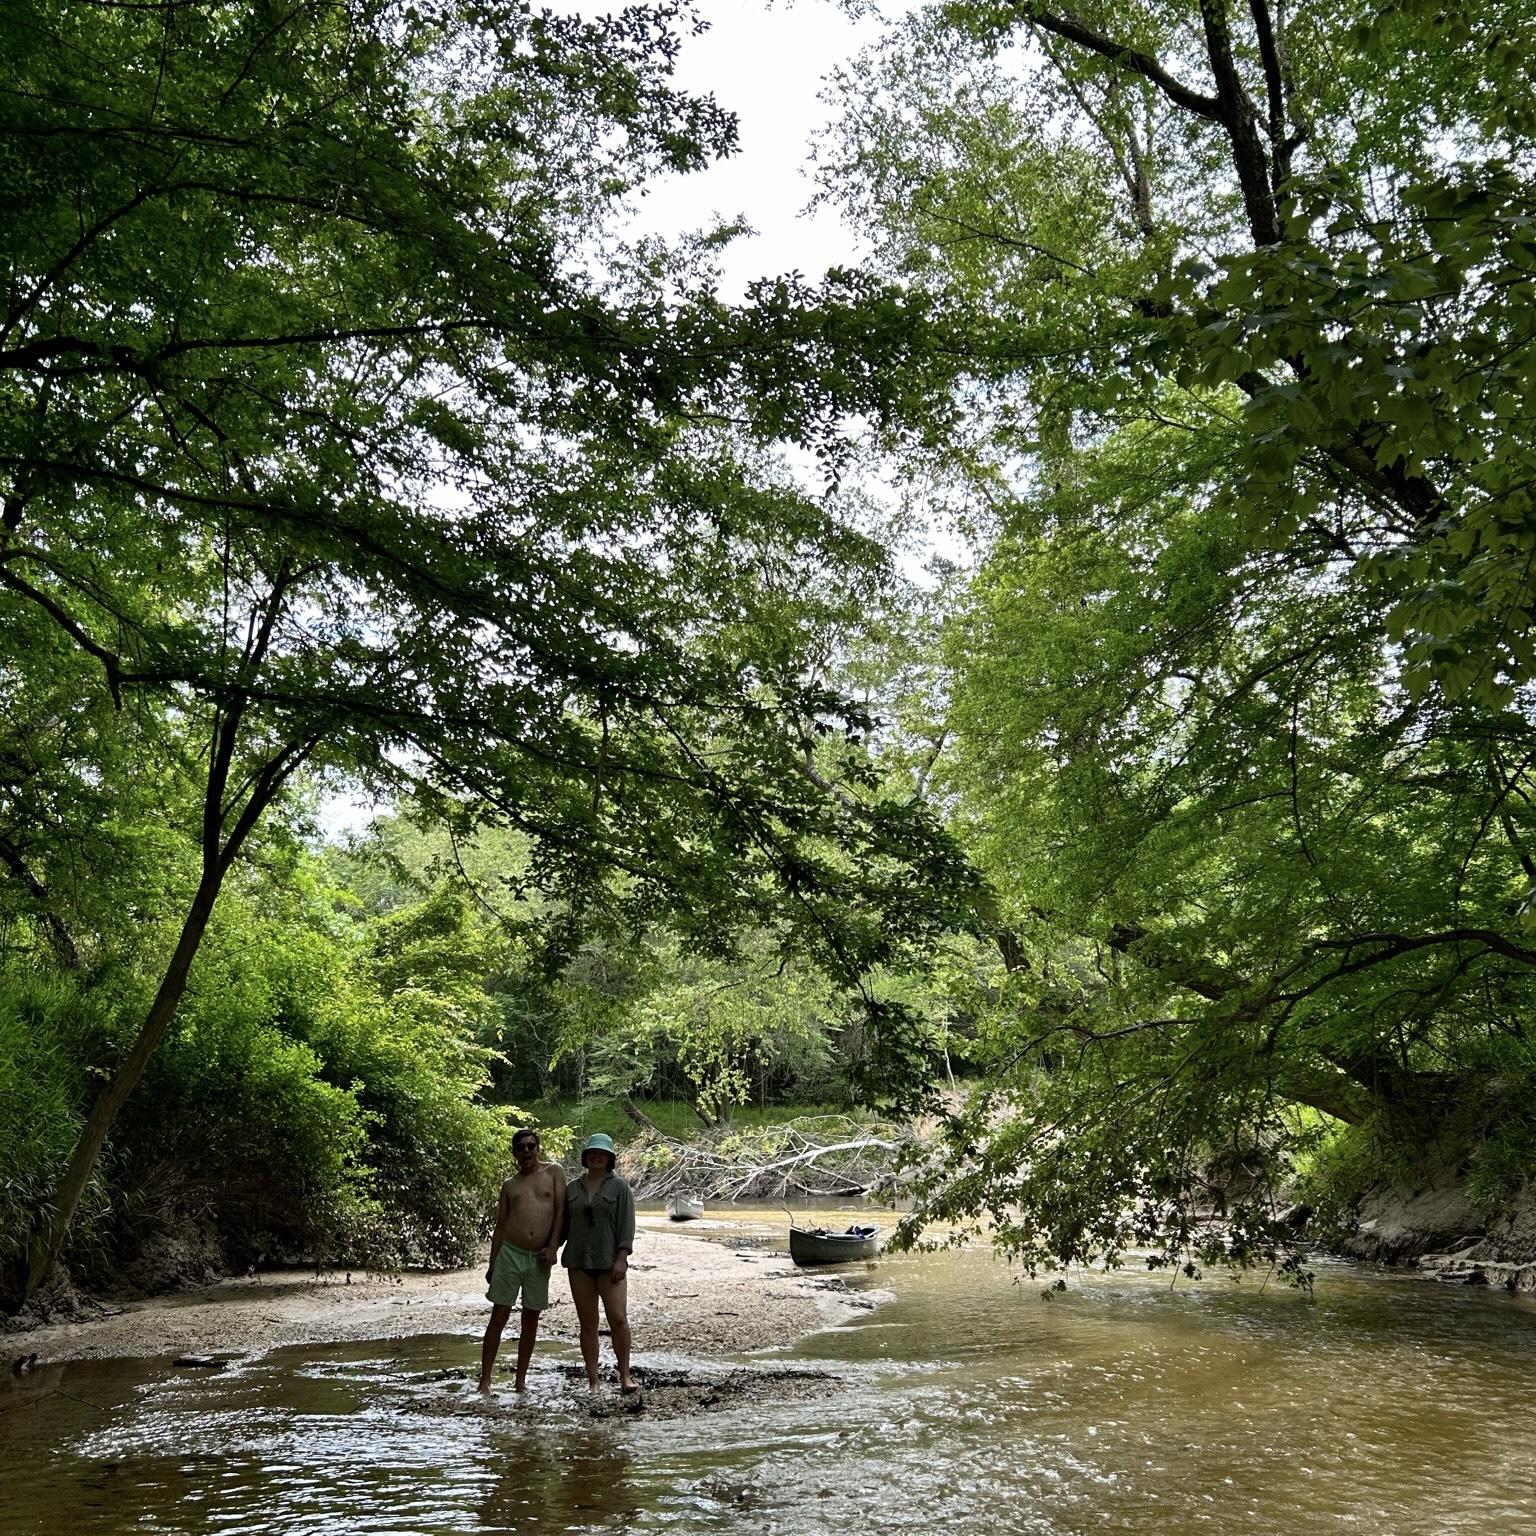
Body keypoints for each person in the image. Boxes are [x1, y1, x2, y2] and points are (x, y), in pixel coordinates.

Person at [478, 1126, 564, 1394]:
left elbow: (561, 1212)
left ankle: (520, 1381)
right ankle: (485, 1380)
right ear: (514, 1153)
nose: (526, 1151)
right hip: (510, 1254)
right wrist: (492, 1264)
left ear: (538, 1147)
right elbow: (501, 1226)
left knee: (531, 1318)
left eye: (531, 1146)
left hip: (539, 1258)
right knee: (499, 1315)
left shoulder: (554, 1172)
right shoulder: (510, 1185)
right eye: (521, 1147)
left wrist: (554, 1247)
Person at [561, 1132, 637, 1393]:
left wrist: (622, 1258)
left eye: (602, 1153)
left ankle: (625, 1376)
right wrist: (548, 1247)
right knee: (588, 1323)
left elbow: (627, 1225)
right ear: (585, 1156)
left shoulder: (620, 1187)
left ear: (609, 1158)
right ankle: (593, 1381)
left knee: (618, 1318)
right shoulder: (572, 1188)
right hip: (578, 1262)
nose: (596, 1157)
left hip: (610, 1262)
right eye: (592, 1152)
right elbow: (563, 1226)